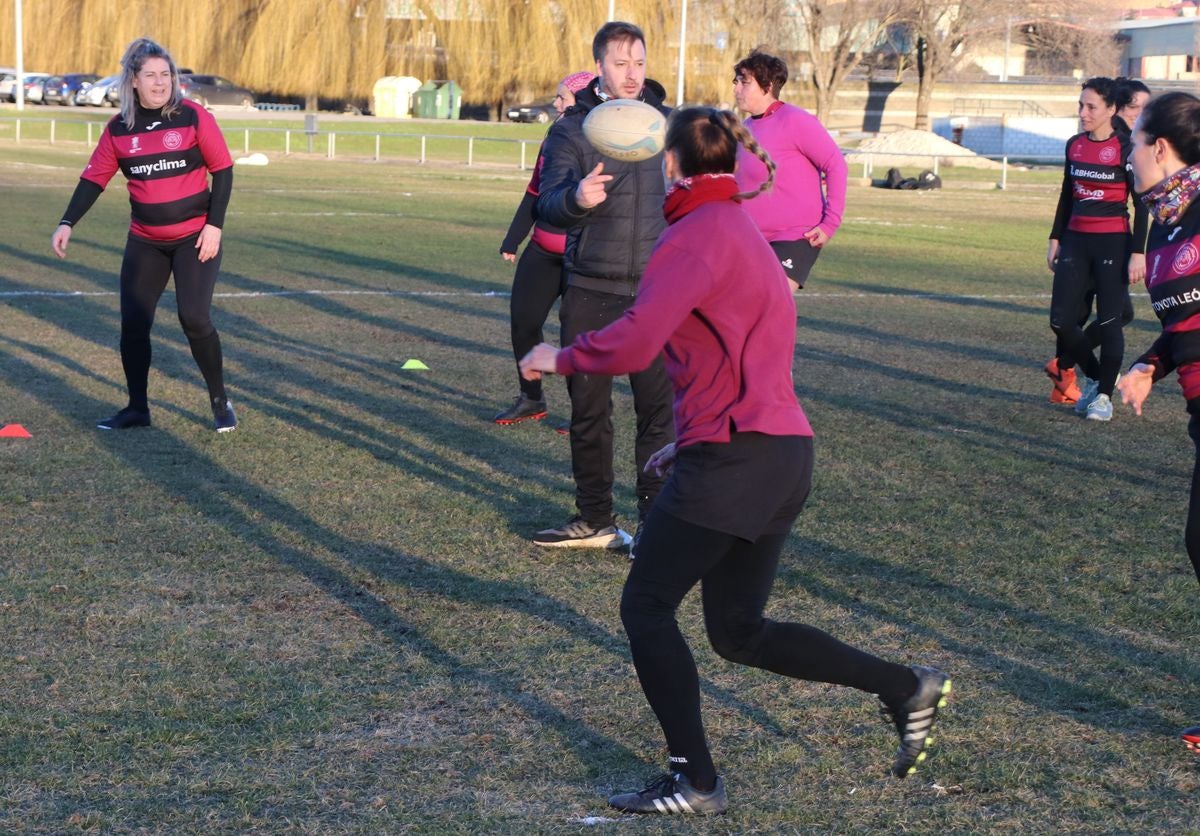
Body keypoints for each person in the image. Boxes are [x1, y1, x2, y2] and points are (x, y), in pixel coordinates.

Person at [521, 107, 951, 815]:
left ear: (671, 166)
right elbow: (742, 353)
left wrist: (558, 355)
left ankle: (695, 781)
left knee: (646, 604)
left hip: (736, 461)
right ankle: (906, 686)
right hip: (780, 454)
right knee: (738, 630)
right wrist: (689, 435)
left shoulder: (693, 236)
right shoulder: (744, 232)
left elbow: (633, 341)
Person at [532, 21, 675, 552]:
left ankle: (656, 529)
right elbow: (547, 205)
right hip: (592, 288)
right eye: (621, 63)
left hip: (659, 294)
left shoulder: (670, 125)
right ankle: (595, 519)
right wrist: (577, 199)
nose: (632, 73)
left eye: (639, 61)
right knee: (590, 412)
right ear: (600, 68)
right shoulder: (572, 129)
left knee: (658, 416)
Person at [51, 38, 236, 433]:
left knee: (194, 318)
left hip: (194, 238)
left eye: (165, 74)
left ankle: (220, 400)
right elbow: (93, 179)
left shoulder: (193, 117)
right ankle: (137, 408)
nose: (159, 82)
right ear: (133, 81)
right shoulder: (119, 129)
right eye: (150, 75)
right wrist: (67, 222)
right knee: (134, 323)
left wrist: (214, 226)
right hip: (146, 241)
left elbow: (222, 170)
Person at [1114, 91, 1200, 755]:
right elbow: (1181, 326)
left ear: (1160, 149)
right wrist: (1149, 364)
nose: (1127, 152)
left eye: (1135, 140)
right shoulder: (1168, 221)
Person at [493, 71, 595, 427]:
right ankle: (531, 398)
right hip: (542, 249)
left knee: (576, 335)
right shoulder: (555, 135)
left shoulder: (606, 138)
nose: (556, 103)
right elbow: (535, 190)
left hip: (583, 255)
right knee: (524, 322)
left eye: (562, 97)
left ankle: (585, 412)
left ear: (584, 99)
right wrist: (514, 237)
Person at [1044, 78, 1152, 406]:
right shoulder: (1074, 144)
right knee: (1061, 320)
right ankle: (1092, 377)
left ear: (1110, 110)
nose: (1083, 112)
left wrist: (1137, 252)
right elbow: (1067, 194)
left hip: (1112, 243)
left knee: (1112, 318)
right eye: (1081, 105)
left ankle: (1102, 396)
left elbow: (1142, 203)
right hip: (1075, 241)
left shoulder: (1127, 149)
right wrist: (1055, 238)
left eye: (1090, 107)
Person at [731, 50, 847, 292]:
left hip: (794, 237)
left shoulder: (795, 120)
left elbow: (836, 164)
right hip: (751, 239)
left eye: (744, 82)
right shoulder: (744, 129)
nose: (736, 88)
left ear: (767, 86)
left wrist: (830, 224)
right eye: (736, 81)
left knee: (768, 304)